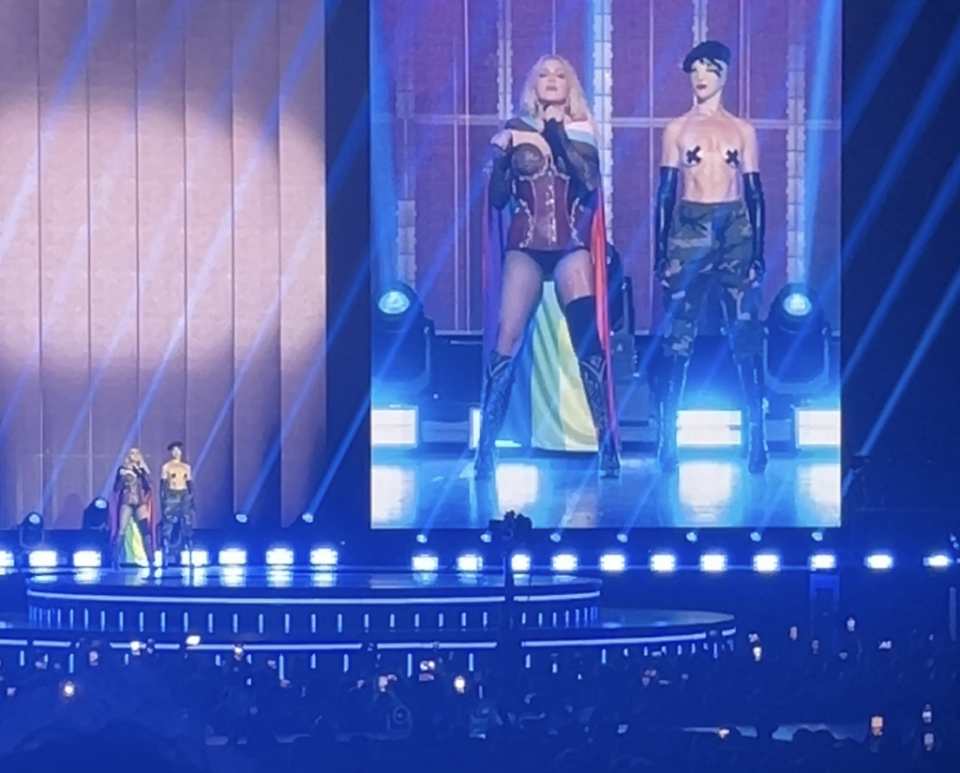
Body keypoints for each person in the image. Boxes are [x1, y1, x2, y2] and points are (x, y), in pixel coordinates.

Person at [477, 54, 619, 479]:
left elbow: (589, 182)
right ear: (533, 85)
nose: (552, 80)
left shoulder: (582, 129)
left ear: (570, 85)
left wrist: (555, 133)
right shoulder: (514, 130)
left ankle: (606, 446)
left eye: (560, 74)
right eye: (544, 74)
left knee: (585, 340)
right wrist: (502, 159)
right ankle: (486, 448)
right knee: (507, 337)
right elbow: (500, 199)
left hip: (570, 244)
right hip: (525, 243)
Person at [655, 40, 767, 473]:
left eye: (710, 68)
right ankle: (668, 440)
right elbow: (666, 191)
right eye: (695, 69)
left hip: (734, 224)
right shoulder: (677, 128)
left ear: (724, 74)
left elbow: (755, 190)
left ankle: (757, 439)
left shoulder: (742, 129)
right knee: (677, 335)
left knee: (744, 329)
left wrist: (757, 249)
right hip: (690, 225)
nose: (701, 76)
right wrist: (662, 250)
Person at [111, 448, 154, 566]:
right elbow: (116, 488)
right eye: (132, 453)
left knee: (145, 530)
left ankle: (151, 560)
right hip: (127, 502)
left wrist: (142, 472)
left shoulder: (142, 470)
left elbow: (149, 486)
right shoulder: (122, 470)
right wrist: (123, 478)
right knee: (122, 530)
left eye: (136, 453)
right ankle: (115, 560)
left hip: (140, 502)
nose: (134, 455)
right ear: (128, 456)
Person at [159, 441, 195, 566]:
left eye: (178, 450)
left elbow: (190, 484)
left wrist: (192, 500)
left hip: (184, 495)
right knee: (167, 525)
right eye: (174, 450)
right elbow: (163, 485)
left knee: (187, 524)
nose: (176, 452)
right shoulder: (167, 467)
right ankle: (165, 555)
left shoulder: (186, 467)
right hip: (171, 495)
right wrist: (163, 500)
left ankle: (190, 555)